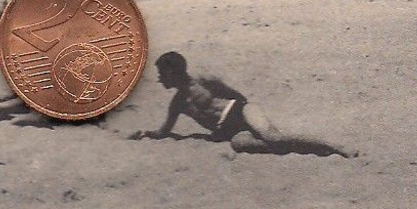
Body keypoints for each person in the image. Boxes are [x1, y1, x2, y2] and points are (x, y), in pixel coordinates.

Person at [131, 51, 356, 157]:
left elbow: (236, 95)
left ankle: (334, 146)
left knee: (273, 138)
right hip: (228, 131)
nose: (160, 79)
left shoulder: (203, 79)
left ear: (173, 72)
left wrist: (249, 112)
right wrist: (146, 133)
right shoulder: (177, 104)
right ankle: (306, 147)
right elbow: (164, 131)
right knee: (241, 145)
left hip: (241, 110)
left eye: (162, 74)